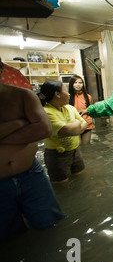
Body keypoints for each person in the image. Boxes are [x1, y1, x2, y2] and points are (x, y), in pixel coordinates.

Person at [0, 62, 66, 240]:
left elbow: (44, 130)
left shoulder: (22, 96)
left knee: (50, 224)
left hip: (31, 173)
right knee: (8, 236)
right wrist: (19, 122)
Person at [39, 80, 87, 183]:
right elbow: (66, 130)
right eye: (66, 90)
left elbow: (84, 124)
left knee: (80, 179)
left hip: (75, 151)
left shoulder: (69, 108)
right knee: (61, 184)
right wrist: (76, 125)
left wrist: (75, 127)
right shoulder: (46, 112)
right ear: (57, 94)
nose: (69, 94)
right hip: (57, 155)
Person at [68, 75, 95, 145]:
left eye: (80, 83)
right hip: (73, 125)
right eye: (75, 82)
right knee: (77, 145)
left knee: (86, 145)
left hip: (87, 125)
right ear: (72, 84)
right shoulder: (67, 97)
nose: (78, 85)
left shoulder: (88, 97)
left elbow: (91, 110)